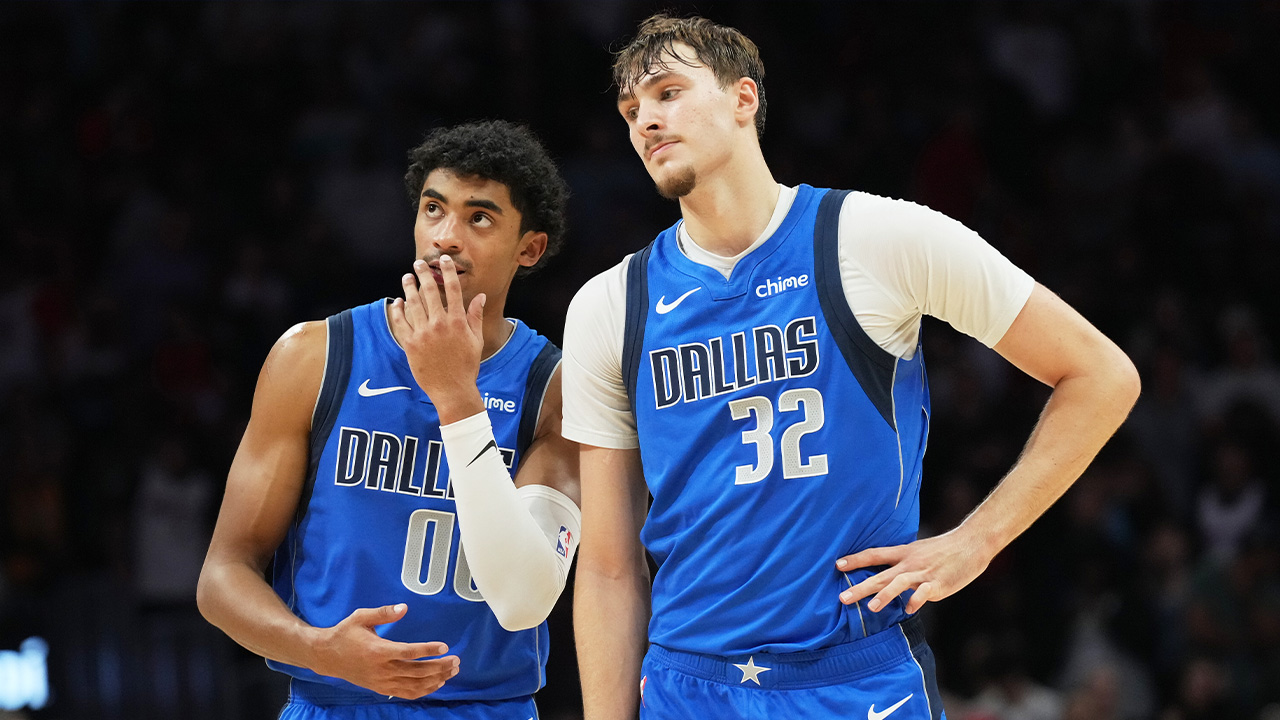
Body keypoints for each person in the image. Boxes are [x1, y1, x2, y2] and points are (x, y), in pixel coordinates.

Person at [563, 14, 1140, 720]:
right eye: (631, 110)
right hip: (691, 686)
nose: (646, 120)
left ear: (744, 99)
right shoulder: (610, 303)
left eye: (668, 92)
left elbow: (1102, 375)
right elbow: (607, 566)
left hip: (856, 679)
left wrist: (977, 540)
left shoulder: (875, 239)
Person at [197, 120, 579, 720]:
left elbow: (526, 599)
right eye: (433, 209)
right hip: (331, 701)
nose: (445, 238)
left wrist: (456, 397)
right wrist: (319, 650)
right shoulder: (315, 356)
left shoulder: (555, 391)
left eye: (479, 218)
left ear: (528, 248)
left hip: (487, 706)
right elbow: (223, 575)